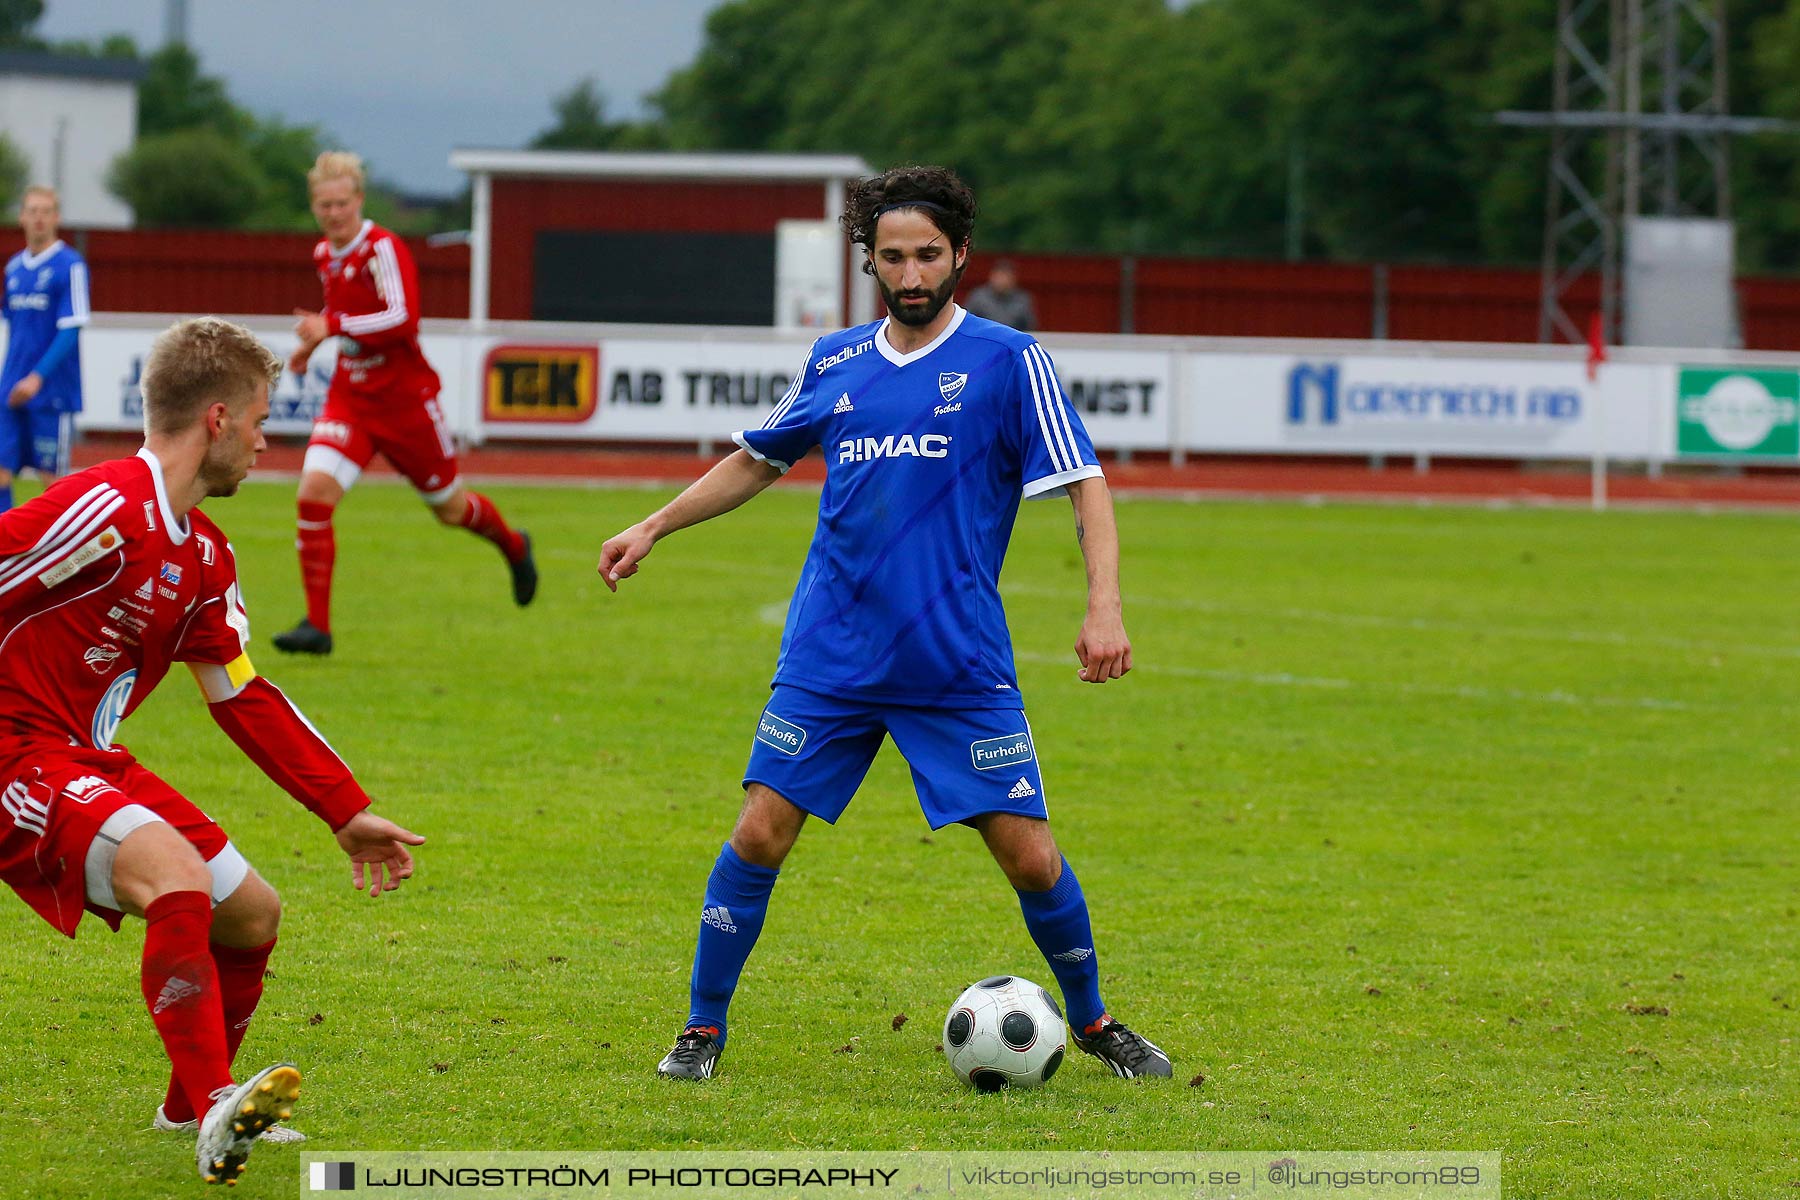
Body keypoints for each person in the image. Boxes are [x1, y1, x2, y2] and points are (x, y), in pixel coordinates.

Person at [598, 165, 1172, 1083]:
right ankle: (701, 1031)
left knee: (1031, 856)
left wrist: (1104, 606)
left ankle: (1095, 1022)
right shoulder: (837, 361)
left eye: (929, 256)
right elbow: (756, 460)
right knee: (758, 832)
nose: (911, 275)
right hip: (833, 653)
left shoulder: (1009, 360)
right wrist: (654, 523)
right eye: (893, 257)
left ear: (961, 257)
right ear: (870, 260)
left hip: (955, 661)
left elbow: (1085, 480)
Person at [0, 317, 426, 1184]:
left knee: (252, 912)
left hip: (80, 756)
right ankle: (218, 1103)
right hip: (14, 754)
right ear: (220, 419)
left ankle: (184, 1108)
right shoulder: (110, 506)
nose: (271, 441)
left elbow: (244, 698)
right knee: (177, 876)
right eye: (265, 421)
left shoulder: (204, 556)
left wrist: (343, 810)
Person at [274, 151, 535, 656]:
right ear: (314, 206)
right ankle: (318, 628)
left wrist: (333, 327)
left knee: (451, 509)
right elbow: (344, 313)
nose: (333, 214)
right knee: (313, 495)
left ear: (359, 200)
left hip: (406, 403)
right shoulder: (324, 254)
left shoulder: (383, 248)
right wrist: (316, 341)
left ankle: (514, 545)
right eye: (324, 205)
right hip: (351, 398)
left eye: (341, 204)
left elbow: (402, 319)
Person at [0, 186, 89, 512]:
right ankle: (5, 554)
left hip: (50, 389)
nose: (39, 218)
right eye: (33, 211)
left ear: (56, 217)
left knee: (53, 480)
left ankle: (63, 557)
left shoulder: (70, 265)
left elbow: (72, 327)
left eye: (46, 211)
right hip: (10, 387)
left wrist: (37, 377)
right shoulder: (13, 269)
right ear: (22, 217)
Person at [963, 257, 1036, 332]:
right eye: (999, 276)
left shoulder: (1022, 300)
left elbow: (1030, 327)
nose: (1002, 280)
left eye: (1006, 277)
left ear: (1013, 279)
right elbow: (967, 323)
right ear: (992, 276)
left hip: (1012, 339)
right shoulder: (978, 297)